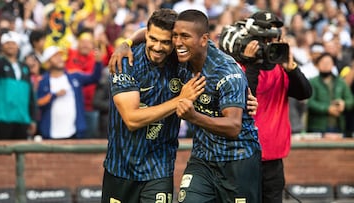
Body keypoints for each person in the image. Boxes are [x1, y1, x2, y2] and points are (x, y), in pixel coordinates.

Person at [101, 9, 207, 203]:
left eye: (166, 42)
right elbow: (132, 119)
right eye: (153, 39)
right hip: (121, 167)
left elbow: (217, 59)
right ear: (147, 34)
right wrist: (179, 100)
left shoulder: (182, 58)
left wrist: (245, 92)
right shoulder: (126, 62)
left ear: (175, 41)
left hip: (159, 167)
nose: (158, 47)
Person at [220, 10, 313, 203]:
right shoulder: (237, 66)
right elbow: (243, 100)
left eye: (273, 37)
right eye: (265, 38)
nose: (269, 43)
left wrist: (292, 68)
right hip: (242, 157)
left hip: (273, 160)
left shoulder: (281, 67)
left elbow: (305, 92)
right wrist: (252, 63)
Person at [171, 10, 261, 203]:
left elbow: (233, 126)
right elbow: (153, 30)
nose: (177, 42)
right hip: (202, 160)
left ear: (203, 39)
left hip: (238, 160)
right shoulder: (181, 57)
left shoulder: (227, 71)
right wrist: (125, 45)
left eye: (185, 36)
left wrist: (193, 117)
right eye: (175, 35)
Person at [36, 46, 103, 139]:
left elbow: (94, 78)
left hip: (74, 131)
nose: (59, 59)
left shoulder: (74, 76)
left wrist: (98, 62)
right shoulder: (42, 81)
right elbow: (39, 103)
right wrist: (54, 95)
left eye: (60, 56)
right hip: (51, 132)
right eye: (55, 56)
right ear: (47, 63)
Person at [0, 31, 37, 140]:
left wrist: (32, 118)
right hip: (2, 117)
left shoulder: (24, 67)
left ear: (18, 46)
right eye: (7, 43)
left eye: (13, 43)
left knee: (21, 151)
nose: (10, 46)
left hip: (22, 117)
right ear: (2, 45)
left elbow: (30, 94)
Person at [307, 52, 354, 134]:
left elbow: (350, 100)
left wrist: (343, 104)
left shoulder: (341, 82)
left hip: (339, 126)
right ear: (318, 65)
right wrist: (327, 109)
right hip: (317, 127)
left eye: (328, 63)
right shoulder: (312, 82)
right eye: (323, 62)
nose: (326, 65)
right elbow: (310, 102)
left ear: (333, 65)